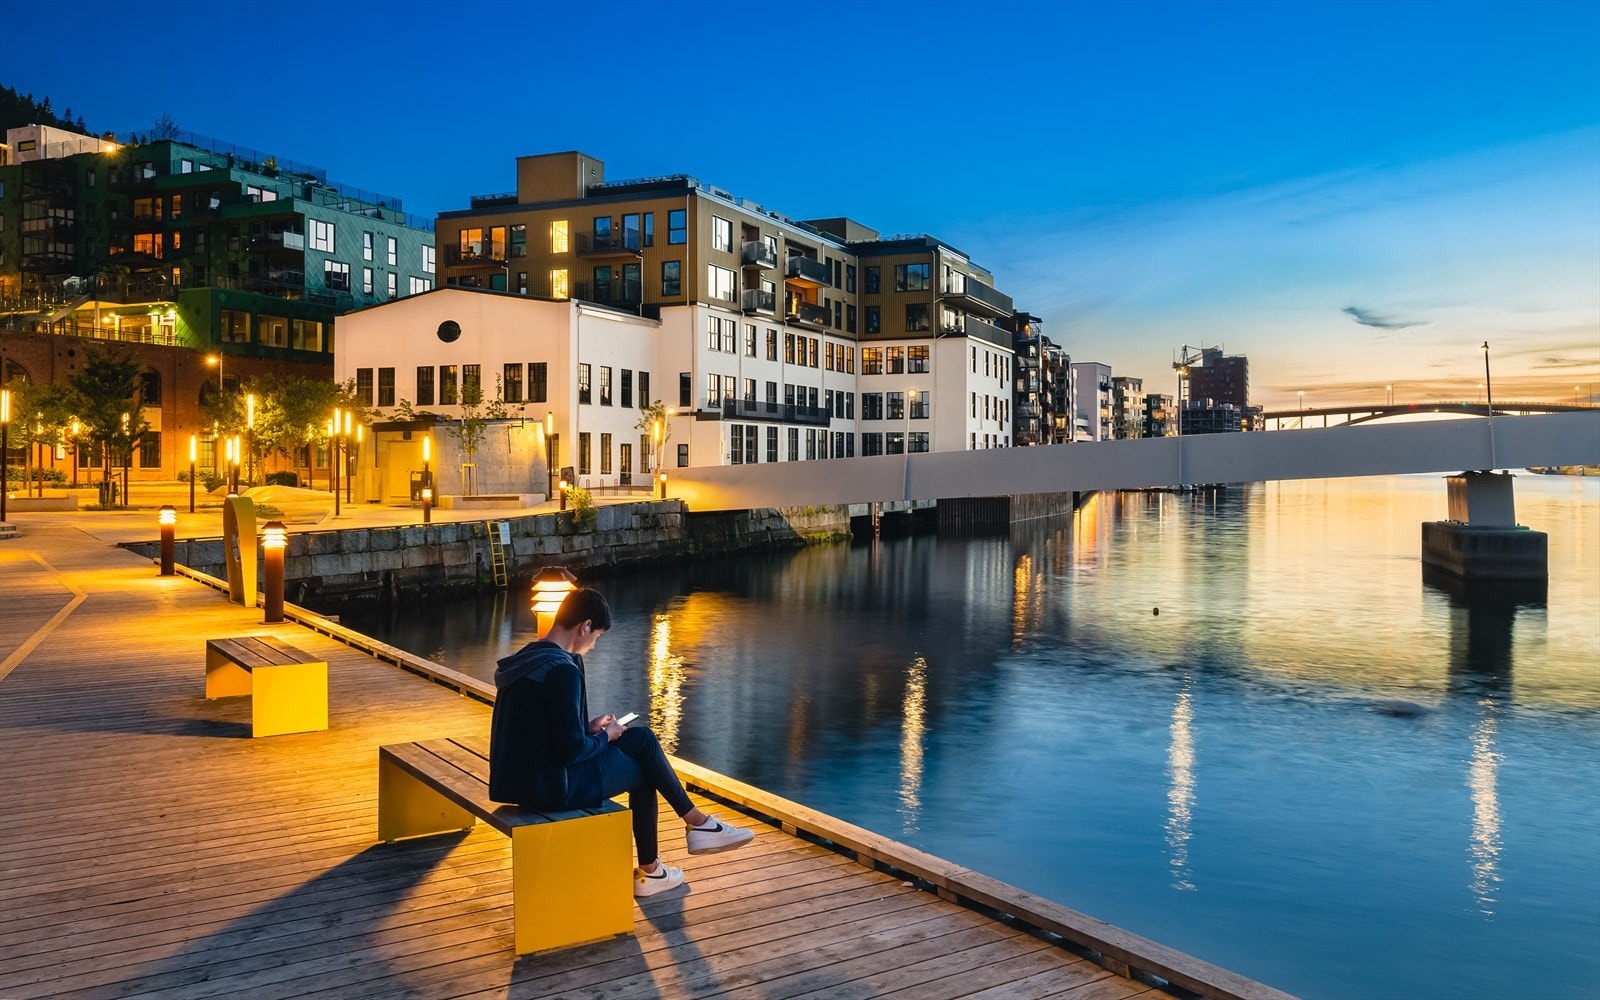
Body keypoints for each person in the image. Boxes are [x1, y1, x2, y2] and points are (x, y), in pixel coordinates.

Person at [489, 587, 753, 896]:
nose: (594, 644)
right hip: (552, 787)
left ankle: (694, 830)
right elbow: (569, 751)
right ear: (584, 626)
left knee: (641, 739)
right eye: (597, 636)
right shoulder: (562, 669)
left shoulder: (529, 659)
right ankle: (669, 853)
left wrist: (588, 728)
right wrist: (606, 736)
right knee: (644, 769)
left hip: (523, 781)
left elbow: (544, 733)